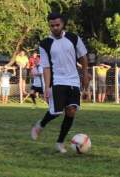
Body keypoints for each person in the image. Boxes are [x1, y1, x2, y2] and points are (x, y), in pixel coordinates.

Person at [30, 12, 90, 153]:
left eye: (57, 25)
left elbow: (83, 57)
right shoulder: (45, 44)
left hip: (73, 80)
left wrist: (85, 74)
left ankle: (60, 142)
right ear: (49, 26)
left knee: (71, 111)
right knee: (56, 112)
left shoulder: (73, 38)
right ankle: (40, 125)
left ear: (63, 24)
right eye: (52, 26)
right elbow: (46, 67)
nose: (55, 28)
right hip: (58, 80)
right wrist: (46, 87)